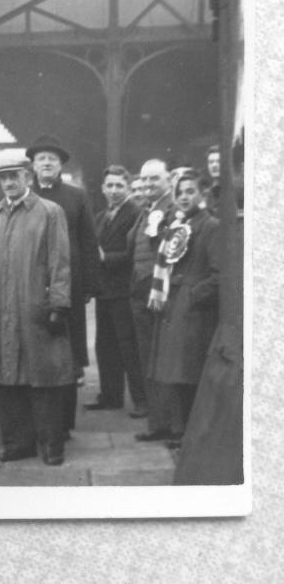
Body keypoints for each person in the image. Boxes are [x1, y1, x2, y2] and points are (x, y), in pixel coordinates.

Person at [0, 155, 73, 465]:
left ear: (27, 176)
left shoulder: (50, 212)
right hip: (0, 311)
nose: (9, 183)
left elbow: (60, 262)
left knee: (44, 380)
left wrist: (59, 304)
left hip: (35, 310)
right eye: (3, 179)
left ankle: (52, 445)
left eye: (14, 176)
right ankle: (17, 442)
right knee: (4, 380)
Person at [26, 134, 100, 435]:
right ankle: (36, 422)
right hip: (30, 285)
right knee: (34, 352)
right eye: (41, 158)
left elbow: (88, 241)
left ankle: (65, 423)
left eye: (52, 160)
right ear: (32, 164)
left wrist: (88, 286)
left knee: (66, 357)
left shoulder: (76, 196)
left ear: (60, 166)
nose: (46, 163)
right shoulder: (25, 195)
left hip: (68, 286)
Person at [148, 169, 220, 448]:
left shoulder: (210, 225)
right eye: (179, 192)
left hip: (193, 311)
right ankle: (178, 429)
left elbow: (220, 274)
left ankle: (189, 435)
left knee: (188, 373)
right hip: (172, 305)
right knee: (173, 373)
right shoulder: (176, 225)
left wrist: (192, 295)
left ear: (202, 194)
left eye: (190, 191)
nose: (183, 197)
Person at [87, 165, 147, 417]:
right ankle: (110, 396)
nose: (113, 191)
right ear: (102, 189)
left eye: (119, 186)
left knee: (129, 347)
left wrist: (104, 257)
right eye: (109, 186)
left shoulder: (136, 213)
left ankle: (141, 401)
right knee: (106, 346)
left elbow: (134, 254)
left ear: (128, 188)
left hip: (124, 291)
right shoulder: (100, 217)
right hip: (105, 292)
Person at [129, 158, 182, 441]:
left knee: (161, 360)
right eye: (145, 180)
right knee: (148, 360)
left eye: (154, 179)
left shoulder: (172, 210)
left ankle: (170, 425)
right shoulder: (147, 210)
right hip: (140, 293)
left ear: (168, 179)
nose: (148, 184)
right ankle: (158, 422)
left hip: (157, 296)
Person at [204, 144, 221, 216]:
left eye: (218, 161)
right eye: (210, 162)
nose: (214, 165)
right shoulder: (207, 194)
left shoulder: (236, 188)